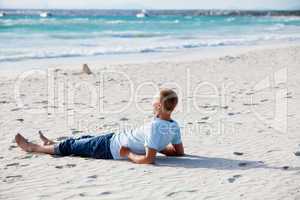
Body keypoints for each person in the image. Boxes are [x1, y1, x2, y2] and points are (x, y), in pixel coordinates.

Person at [15, 88, 184, 164]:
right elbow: (178, 152)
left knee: (72, 146)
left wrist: (129, 154)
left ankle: (33, 147)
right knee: (84, 139)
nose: (151, 101)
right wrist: (157, 146)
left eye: (153, 100)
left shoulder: (155, 127)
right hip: (113, 138)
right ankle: (51, 144)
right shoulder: (174, 125)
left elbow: (148, 159)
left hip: (110, 148)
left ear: (159, 106)